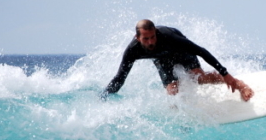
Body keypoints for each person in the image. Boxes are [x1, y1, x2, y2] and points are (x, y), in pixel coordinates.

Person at [101, 19, 254, 101]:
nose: (151, 42)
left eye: (153, 36)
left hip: (180, 51)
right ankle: (183, 120)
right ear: (137, 37)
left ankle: (239, 85)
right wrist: (106, 95)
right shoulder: (132, 51)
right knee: (172, 91)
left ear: (156, 32)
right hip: (162, 59)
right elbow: (120, 77)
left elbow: (200, 51)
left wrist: (225, 73)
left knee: (198, 77)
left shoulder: (168, 35)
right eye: (146, 39)